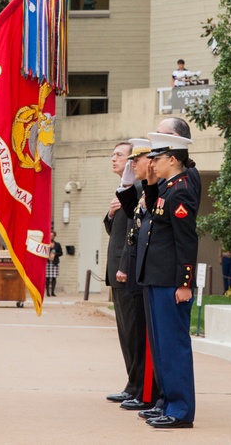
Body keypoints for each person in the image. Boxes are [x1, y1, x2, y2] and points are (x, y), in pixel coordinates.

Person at [137, 132, 199, 429]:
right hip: (157, 277)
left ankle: (180, 410)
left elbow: (186, 241)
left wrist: (185, 283)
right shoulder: (167, 187)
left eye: (157, 158)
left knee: (173, 346)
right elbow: (153, 213)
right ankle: (167, 402)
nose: (152, 163)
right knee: (161, 346)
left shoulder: (182, 190)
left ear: (173, 159)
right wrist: (150, 181)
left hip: (171, 281)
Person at [114, 138, 159, 412]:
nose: (132, 165)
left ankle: (152, 394)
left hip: (150, 273)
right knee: (132, 336)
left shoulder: (157, 189)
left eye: (134, 160)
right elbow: (131, 223)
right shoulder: (141, 191)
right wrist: (127, 185)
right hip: (140, 272)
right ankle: (142, 390)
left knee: (145, 338)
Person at [102, 141, 137, 405]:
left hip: (127, 272)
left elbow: (132, 236)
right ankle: (132, 384)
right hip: (117, 270)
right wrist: (111, 213)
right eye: (112, 154)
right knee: (124, 333)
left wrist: (124, 266)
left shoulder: (135, 190)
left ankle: (136, 387)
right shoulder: (122, 190)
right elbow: (114, 230)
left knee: (133, 332)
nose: (114, 159)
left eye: (119, 155)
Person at [46, 230, 63, 297]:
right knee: (47, 277)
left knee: (54, 277)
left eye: (52, 235)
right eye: (50, 235)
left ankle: (52, 291)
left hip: (54, 262)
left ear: (54, 236)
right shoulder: (46, 244)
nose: (51, 237)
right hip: (47, 262)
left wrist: (55, 254)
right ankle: (47, 292)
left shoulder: (57, 245)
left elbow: (61, 253)